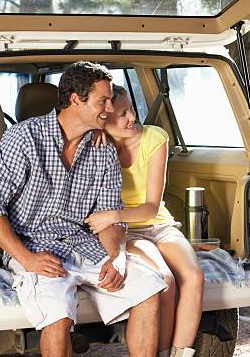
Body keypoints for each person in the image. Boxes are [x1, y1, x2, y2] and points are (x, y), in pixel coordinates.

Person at [0, 62, 167, 357]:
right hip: (35, 247)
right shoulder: (25, 138)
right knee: (58, 315)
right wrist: (26, 258)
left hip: (84, 246)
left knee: (149, 289)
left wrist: (115, 257)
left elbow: (110, 215)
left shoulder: (102, 148)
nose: (110, 107)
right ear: (76, 100)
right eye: (103, 100)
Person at [85, 85, 203, 357]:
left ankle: (181, 353)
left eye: (130, 109)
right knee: (165, 280)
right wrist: (114, 220)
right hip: (126, 232)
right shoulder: (94, 144)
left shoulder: (155, 138)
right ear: (103, 120)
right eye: (120, 115)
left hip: (158, 223)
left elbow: (151, 208)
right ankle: (160, 352)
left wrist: (113, 214)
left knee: (194, 277)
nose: (131, 119)